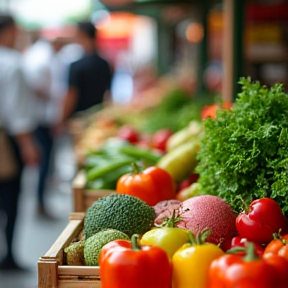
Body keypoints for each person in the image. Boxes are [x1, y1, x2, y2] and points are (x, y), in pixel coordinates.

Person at [0, 14, 39, 270]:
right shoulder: (12, 62)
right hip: (6, 141)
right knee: (11, 199)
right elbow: (16, 113)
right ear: (9, 31)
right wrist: (28, 145)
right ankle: (9, 255)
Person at [60, 21, 112, 122]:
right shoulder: (105, 64)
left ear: (82, 34)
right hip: (98, 117)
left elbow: (71, 95)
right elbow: (108, 94)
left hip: (78, 120)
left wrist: (62, 119)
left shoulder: (76, 66)